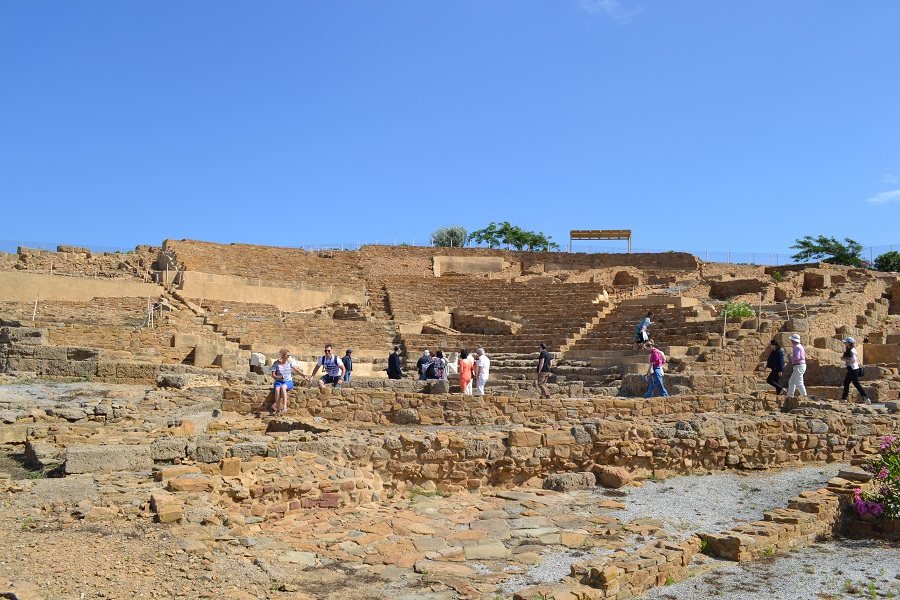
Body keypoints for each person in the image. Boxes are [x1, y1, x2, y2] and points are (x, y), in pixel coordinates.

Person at [269, 348, 310, 416]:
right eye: (287, 355)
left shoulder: (290, 363)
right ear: (283, 355)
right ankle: (278, 409)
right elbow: (273, 375)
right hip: (279, 381)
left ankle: (284, 406)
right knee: (277, 389)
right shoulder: (276, 363)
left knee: (283, 387)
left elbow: (297, 370)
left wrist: (304, 376)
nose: (289, 356)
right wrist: (278, 377)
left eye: (289, 355)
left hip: (288, 381)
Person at [840, 337, 870, 404]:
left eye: (846, 342)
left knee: (856, 384)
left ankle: (866, 397)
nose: (845, 343)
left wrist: (844, 359)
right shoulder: (850, 350)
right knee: (846, 382)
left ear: (849, 343)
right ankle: (843, 398)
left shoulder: (852, 350)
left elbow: (853, 361)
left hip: (853, 369)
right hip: (851, 369)